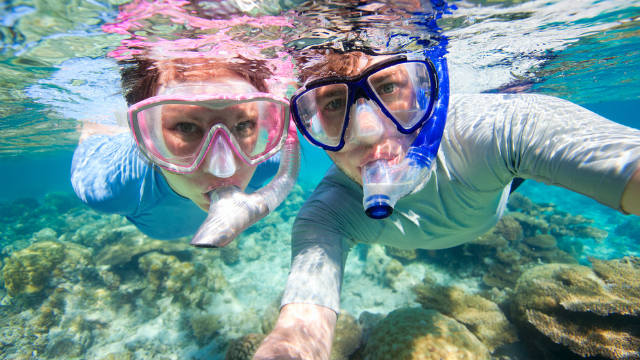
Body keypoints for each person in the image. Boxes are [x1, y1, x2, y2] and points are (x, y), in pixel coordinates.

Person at [252, 48, 640, 359]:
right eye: (335, 103)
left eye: (387, 87)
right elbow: (298, 334)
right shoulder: (326, 215)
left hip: (496, 183)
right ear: (307, 121)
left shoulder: (496, 130)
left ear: (424, 87)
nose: (368, 132)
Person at [71, 56, 299, 243]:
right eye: (187, 127)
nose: (224, 169)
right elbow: (90, 141)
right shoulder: (110, 187)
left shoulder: (266, 161)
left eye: (243, 125)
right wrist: (93, 129)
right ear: (142, 131)